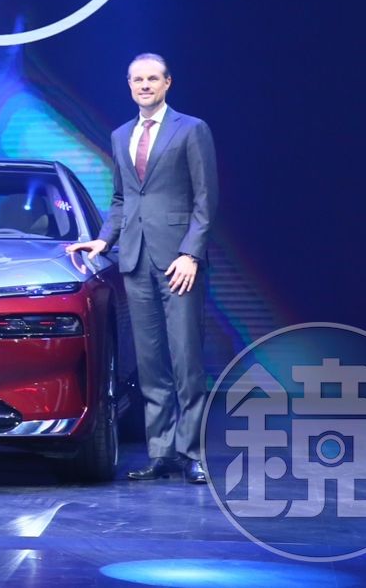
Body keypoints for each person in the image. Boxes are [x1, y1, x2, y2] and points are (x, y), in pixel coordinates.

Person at [68, 53, 218, 485]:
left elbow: (205, 199)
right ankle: (161, 453)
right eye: (138, 80)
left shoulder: (191, 129)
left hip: (178, 262)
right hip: (134, 260)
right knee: (150, 364)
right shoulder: (121, 135)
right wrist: (104, 240)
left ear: (168, 83)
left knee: (186, 361)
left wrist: (191, 254)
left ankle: (192, 454)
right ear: (129, 85)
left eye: (153, 78)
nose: (145, 85)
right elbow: (122, 199)